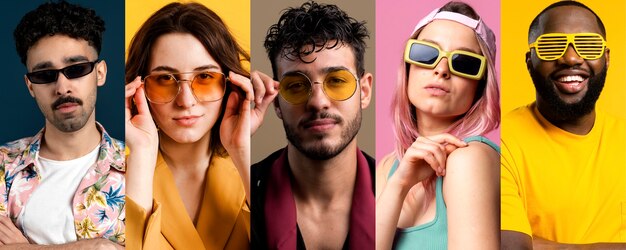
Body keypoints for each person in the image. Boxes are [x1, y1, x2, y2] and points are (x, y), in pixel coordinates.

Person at [124, 2, 276, 249]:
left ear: (230, 83)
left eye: (205, 77)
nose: (186, 101)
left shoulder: (265, 176)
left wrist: (241, 150)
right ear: (139, 87)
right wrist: (142, 152)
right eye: (164, 79)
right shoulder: (108, 181)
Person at [501, 1, 626, 248]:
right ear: (530, 61)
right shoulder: (501, 142)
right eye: (551, 46)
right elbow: (512, 246)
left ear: (607, 58)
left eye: (589, 46)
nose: (570, 58)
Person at [375, 2, 500, 249]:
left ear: (480, 85)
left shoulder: (469, 159)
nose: (441, 69)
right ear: (407, 67)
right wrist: (399, 185)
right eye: (425, 53)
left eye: (464, 63)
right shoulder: (389, 167)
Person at [0, 1, 125, 248]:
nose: (62, 87)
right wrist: (96, 247)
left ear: (100, 73)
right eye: (45, 75)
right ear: (30, 86)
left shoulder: (139, 166)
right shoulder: (4, 166)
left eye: (76, 69)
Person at [250, 1, 375, 249]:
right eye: (296, 85)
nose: (318, 102)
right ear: (276, 102)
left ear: (365, 91)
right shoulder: (243, 191)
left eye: (337, 81)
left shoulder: (397, 190)